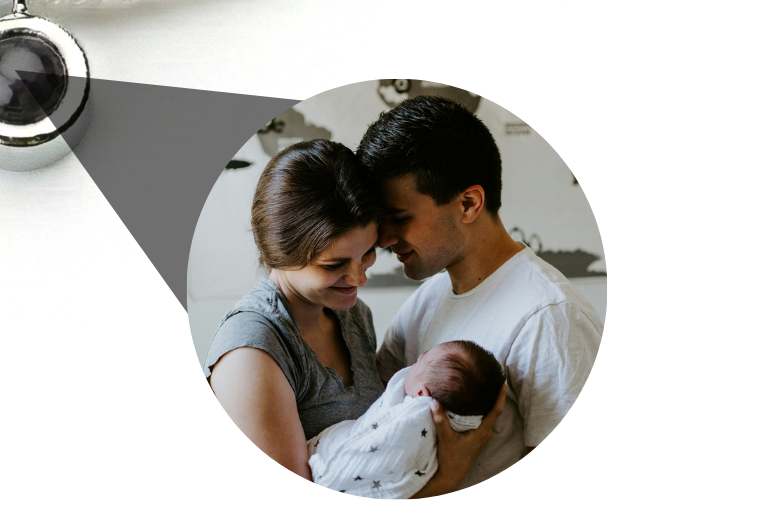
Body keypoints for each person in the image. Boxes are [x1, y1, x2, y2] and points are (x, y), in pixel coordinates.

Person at [203, 140, 500, 489]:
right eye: (334, 265)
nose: (359, 279)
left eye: (368, 253)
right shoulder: (251, 350)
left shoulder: (353, 315)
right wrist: (452, 470)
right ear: (279, 252)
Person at [359, 97, 602, 487]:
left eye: (400, 218)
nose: (385, 238)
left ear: (469, 204)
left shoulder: (550, 317)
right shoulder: (429, 298)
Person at [308, 340, 505, 498]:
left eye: (420, 362)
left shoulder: (414, 417)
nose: (417, 359)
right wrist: (447, 479)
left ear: (420, 393)